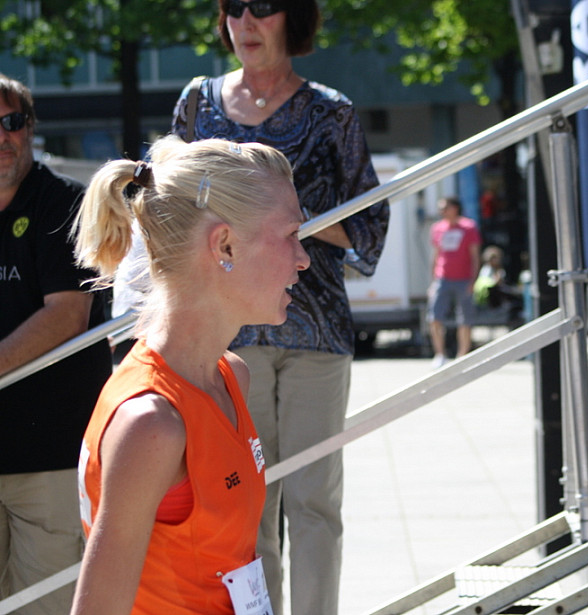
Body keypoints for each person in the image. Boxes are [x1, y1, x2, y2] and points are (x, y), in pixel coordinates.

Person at [166, 2, 389, 613]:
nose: (246, 21)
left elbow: (370, 231)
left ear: (294, 17)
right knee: (245, 504)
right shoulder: (197, 103)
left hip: (316, 332)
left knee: (315, 503)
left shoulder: (332, 111)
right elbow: (168, 211)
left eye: (262, 6)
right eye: (233, 6)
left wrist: (288, 220)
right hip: (225, 337)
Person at [70, 135, 310, 614]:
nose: (303, 257)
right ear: (224, 245)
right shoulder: (151, 422)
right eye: (290, 235)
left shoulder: (230, 376)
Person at [0, 73, 111, 615]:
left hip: (51, 458)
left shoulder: (64, 203)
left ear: (30, 128)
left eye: (11, 121)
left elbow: (68, 314)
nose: (1, 137)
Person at [428, 196, 482, 367]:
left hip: (464, 279)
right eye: (440, 208)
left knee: (465, 319)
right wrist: (433, 280)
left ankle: (462, 356)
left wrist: (473, 280)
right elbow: (435, 254)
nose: (441, 211)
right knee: (435, 317)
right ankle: (440, 354)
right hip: (442, 278)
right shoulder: (437, 228)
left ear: (455, 208)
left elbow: (475, 256)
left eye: (445, 208)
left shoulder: (469, 227)